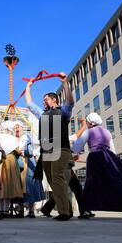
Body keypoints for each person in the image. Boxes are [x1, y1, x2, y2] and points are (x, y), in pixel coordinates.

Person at [26, 72, 74, 221]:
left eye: (45, 99)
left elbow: (70, 102)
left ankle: (64, 213)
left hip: (61, 148)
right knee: (53, 181)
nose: (43, 101)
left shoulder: (63, 111)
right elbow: (29, 104)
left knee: (57, 177)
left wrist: (65, 83)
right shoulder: (42, 114)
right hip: (46, 151)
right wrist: (29, 85)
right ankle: (67, 209)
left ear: (54, 99)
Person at [14, 121, 45, 218]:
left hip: (28, 162)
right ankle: (20, 210)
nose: (17, 129)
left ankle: (31, 211)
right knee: (19, 186)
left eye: (18, 127)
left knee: (30, 185)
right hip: (18, 163)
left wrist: (24, 152)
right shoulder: (13, 139)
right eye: (15, 127)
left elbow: (30, 151)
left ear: (22, 128)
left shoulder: (27, 137)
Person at [0, 121, 24, 218]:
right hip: (11, 160)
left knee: (1, 186)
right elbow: (18, 150)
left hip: (0, 161)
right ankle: (6, 211)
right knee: (9, 186)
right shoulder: (13, 138)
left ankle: (1, 210)